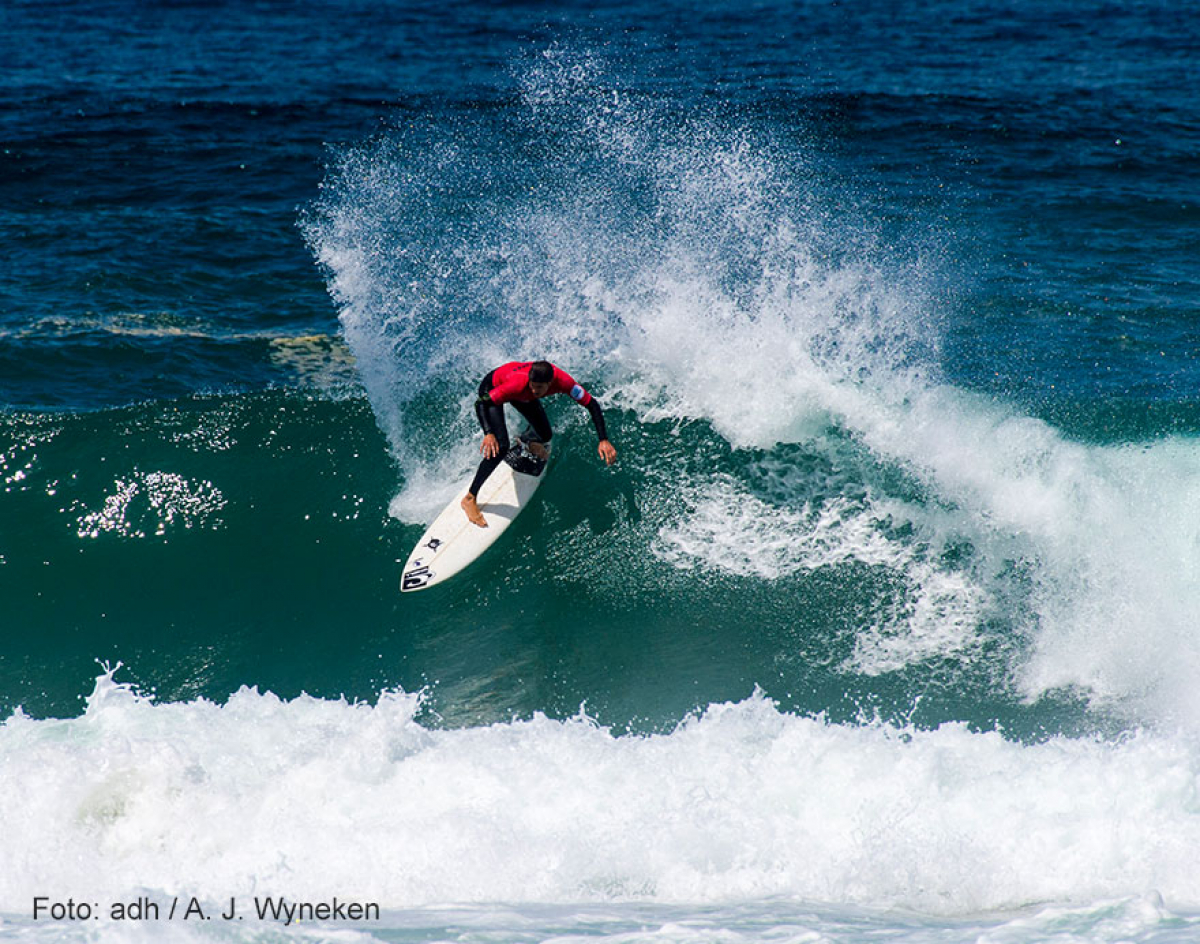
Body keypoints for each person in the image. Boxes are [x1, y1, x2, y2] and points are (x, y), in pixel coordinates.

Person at [462, 360, 617, 527]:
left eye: (539, 388)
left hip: (520, 391)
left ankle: (527, 441)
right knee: (501, 446)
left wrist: (603, 439)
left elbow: (591, 404)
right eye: (533, 386)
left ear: (550, 384)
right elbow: (481, 403)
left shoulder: (564, 383)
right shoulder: (518, 385)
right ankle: (470, 498)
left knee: (545, 434)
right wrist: (488, 433)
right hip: (492, 387)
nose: (535, 391)